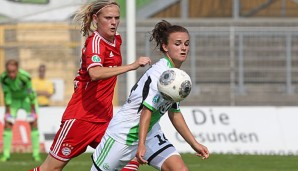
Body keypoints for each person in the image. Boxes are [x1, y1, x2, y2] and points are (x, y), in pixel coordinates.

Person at [30, 0, 151, 171]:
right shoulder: (95, 42)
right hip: (81, 117)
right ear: (96, 18)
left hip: (104, 119)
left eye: (116, 17)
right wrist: (132, 66)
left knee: (129, 162)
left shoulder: (116, 40)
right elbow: (95, 73)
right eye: (108, 18)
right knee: (51, 168)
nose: (114, 22)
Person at [90, 20, 209, 171]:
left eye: (186, 43)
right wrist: (141, 145)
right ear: (165, 47)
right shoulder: (160, 74)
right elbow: (146, 111)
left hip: (149, 131)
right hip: (124, 134)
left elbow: (175, 113)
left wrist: (194, 144)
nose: (183, 48)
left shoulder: (176, 75)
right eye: (177, 43)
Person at [0, 59, 41, 162]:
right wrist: (8, 110)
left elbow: (30, 91)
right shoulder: (4, 78)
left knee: (33, 123)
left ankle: (36, 154)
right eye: (9, 72)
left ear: (17, 70)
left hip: (27, 99)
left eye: (13, 71)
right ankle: (6, 155)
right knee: (8, 124)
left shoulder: (25, 77)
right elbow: (6, 93)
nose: (11, 74)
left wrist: (32, 110)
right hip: (14, 100)